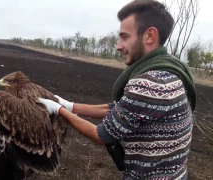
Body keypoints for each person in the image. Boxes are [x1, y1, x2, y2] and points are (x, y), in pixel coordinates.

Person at [37, 0, 197, 179]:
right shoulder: (170, 73)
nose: (119, 46)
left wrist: (58, 110)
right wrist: (70, 106)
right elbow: (117, 109)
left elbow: (101, 135)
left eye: (125, 37)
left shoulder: (149, 83)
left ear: (149, 36)